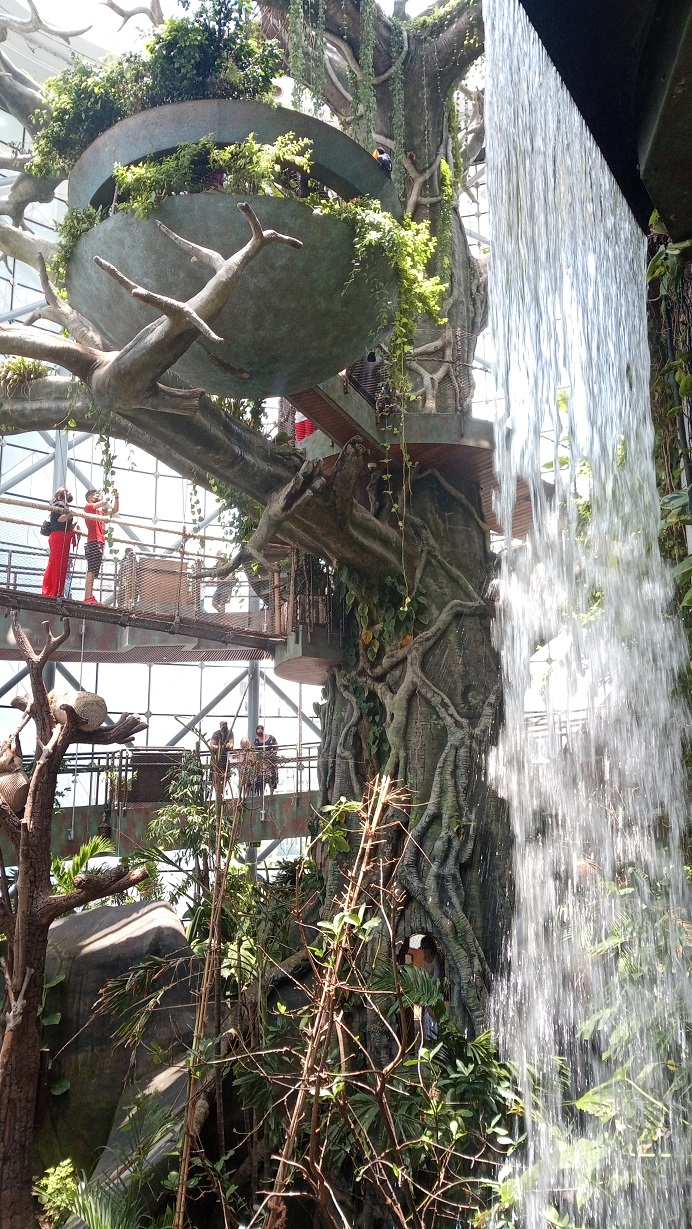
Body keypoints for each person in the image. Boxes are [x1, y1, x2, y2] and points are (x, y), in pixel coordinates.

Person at [83, 486, 119, 605]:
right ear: (89, 498)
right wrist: (108, 496)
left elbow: (114, 510)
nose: (98, 497)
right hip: (93, 541)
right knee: (91, 569)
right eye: (96, 495)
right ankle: (88, 596)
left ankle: (89, 596)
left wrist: (116, 497)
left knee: (94, 570)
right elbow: (104, 501)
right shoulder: (88, 507)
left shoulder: (100, 511)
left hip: (99, 542)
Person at [42, 489, 79, 598]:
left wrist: (72, 524)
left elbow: (62, 523)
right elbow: (60, 520)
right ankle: (55, 591)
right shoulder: (59, 505)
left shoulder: (59, 505)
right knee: (58, 564)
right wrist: (69, 515)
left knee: (59, 564)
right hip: (59, 537)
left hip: (61, 537)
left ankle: (56, 590)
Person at [253, 724, 278, 795]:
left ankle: (271, 794)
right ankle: (261, 795)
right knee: (260, 780)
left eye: (261, 733)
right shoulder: (256, 741)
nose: (259, 735)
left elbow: (277, 746)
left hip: (270, 761)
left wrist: (274, 754)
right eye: (258, 734)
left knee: (271, 778)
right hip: (261, 763)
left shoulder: (271, 738)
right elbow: (254, 750)